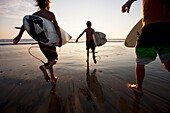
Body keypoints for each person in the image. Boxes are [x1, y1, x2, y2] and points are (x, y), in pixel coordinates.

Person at [121, 0, 170, 94]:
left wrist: (129, 2)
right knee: (168, 59)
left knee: (141, 61)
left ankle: (139, 87)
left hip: (150, 27)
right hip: (167, 28)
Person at [13, 0, 62, 84]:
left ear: (38, 4)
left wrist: (19, 35)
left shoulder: (34, 15)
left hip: (41, 41)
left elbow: (25, 25)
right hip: (49, 41)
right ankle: (45, 67)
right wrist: (60, 38)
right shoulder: (50, 14)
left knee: (49, 59)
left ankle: (52, 78)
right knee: (54, 59)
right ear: (47, 4)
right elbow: (56, 27)